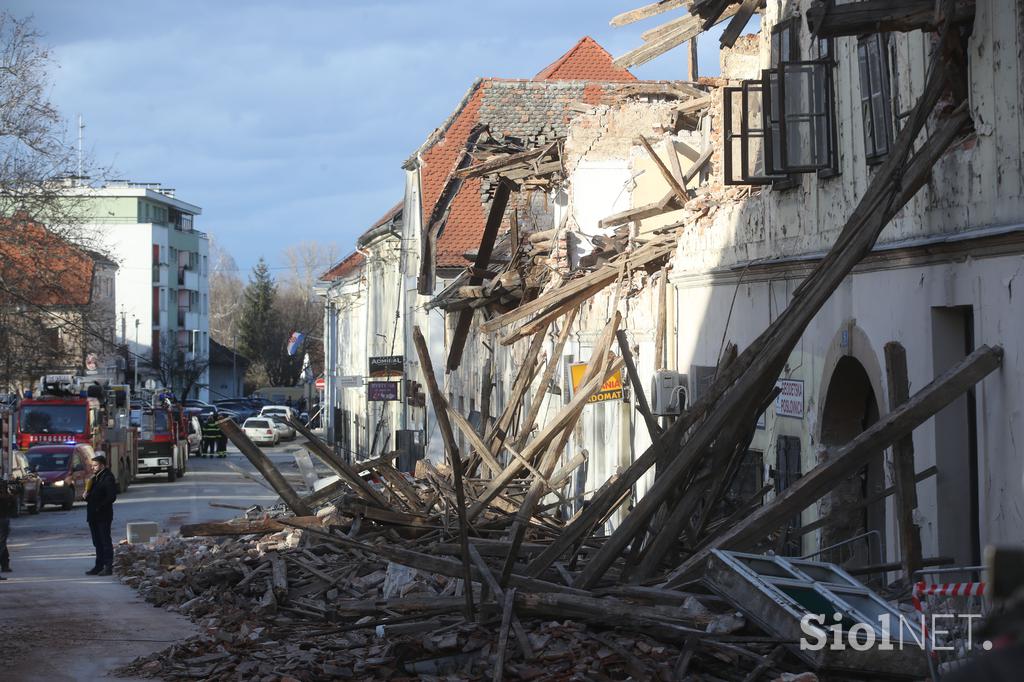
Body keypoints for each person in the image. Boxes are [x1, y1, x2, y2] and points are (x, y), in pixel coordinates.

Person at [84, 454, 117, 576]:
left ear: (102, 465)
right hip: (93, 515)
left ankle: (108, 567)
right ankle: (99, 566)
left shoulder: (107, 477)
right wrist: (87, 497)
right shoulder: (95, 478)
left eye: (95, 465)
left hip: (103, 515)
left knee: (105, 541)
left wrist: (99, 507)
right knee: (97, 542)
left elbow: (111, 497)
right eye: (91, 466)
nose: (93, 468)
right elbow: (93, 496)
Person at [0, 481, 16, 579]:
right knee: (1, 544)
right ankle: (5, 564)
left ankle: (5, 564)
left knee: (2, 544)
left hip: (3, 519)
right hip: (2, 519)